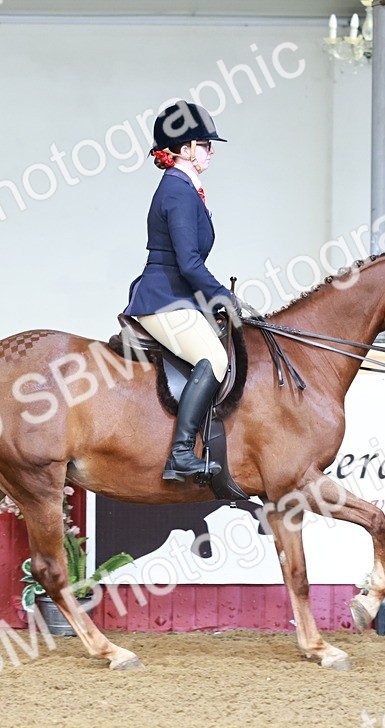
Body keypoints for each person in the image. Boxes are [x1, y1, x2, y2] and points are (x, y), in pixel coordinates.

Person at [123, 101, 234, 484]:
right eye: (205, 144)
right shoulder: (177, 191)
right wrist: (223, 298)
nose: (211, 151)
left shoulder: (185, 187)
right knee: (214, 358)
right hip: (163, 298)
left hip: (177, 296)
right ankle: (181, 454)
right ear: (184, 148)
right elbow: (188, 263)